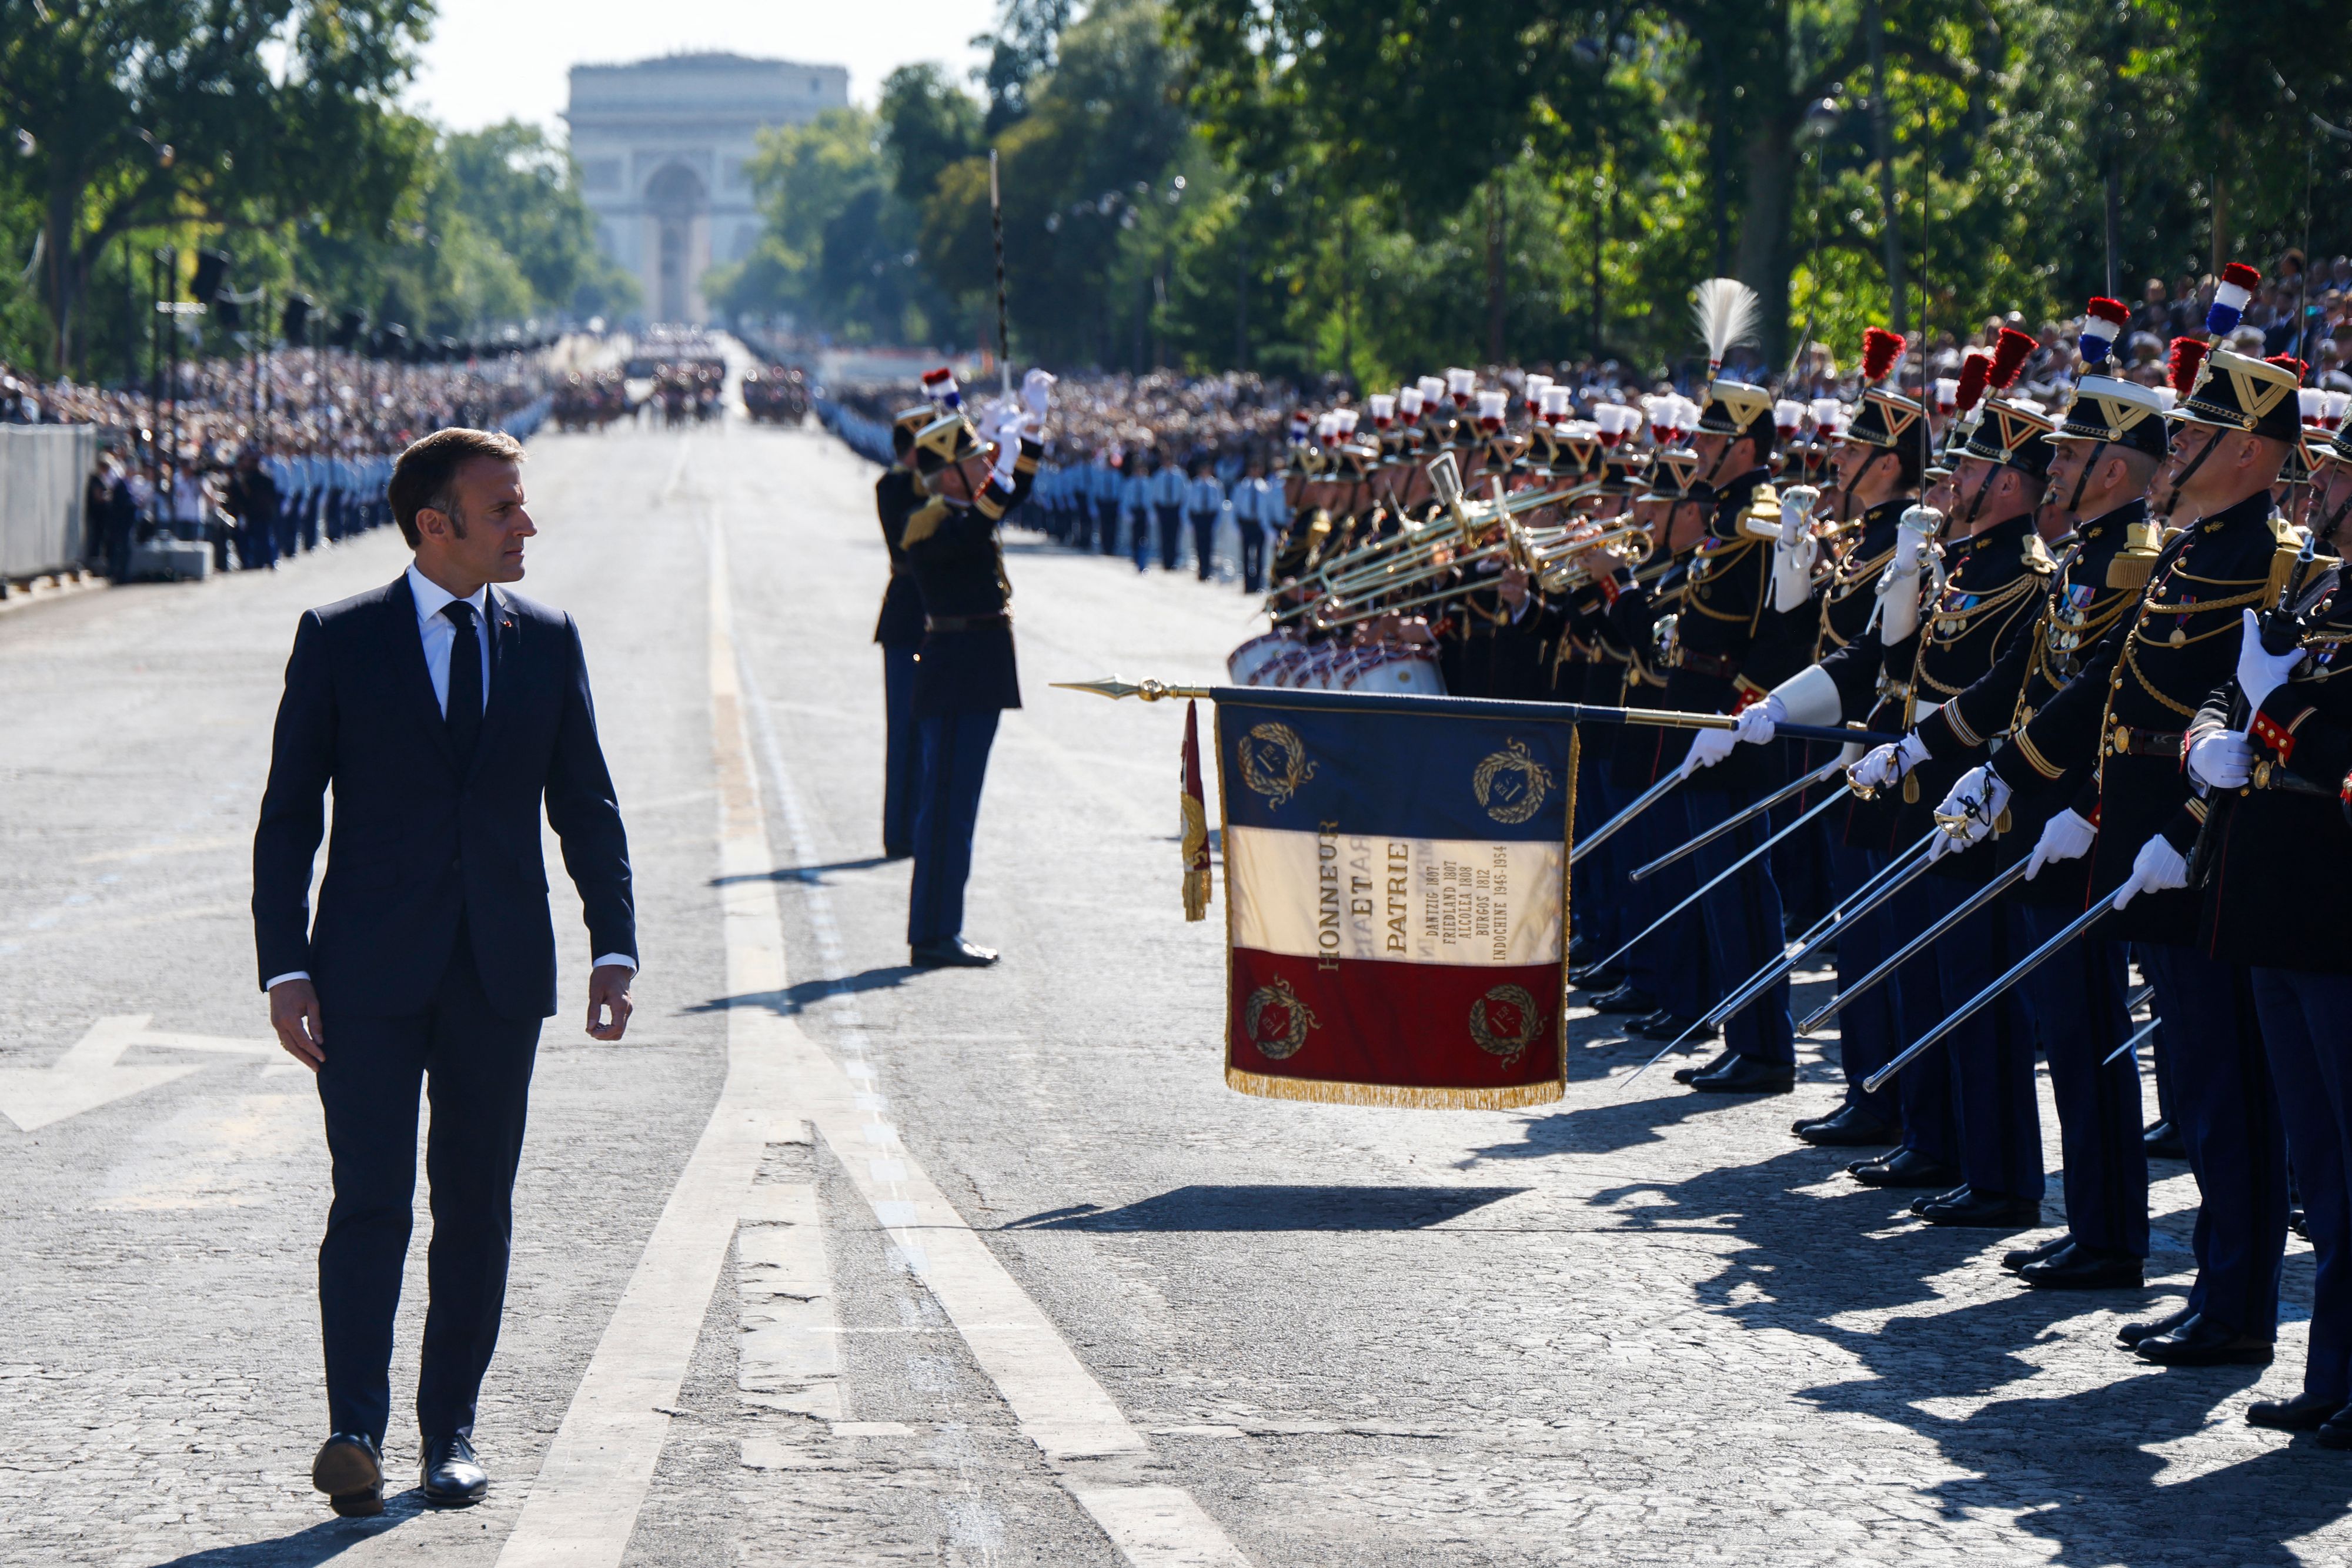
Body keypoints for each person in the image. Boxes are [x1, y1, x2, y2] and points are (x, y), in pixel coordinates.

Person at [251, 426, 638, 1517]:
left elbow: (587, 808)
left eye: (522, 505)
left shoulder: (548, 639)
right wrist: (285, 964)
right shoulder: (340, 639)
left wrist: (614, 943)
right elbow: (289, 819)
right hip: (365, 974)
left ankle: (449, 1431)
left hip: (498, 974)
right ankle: (355, 1431)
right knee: (370, 1200)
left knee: (477, 1206)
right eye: (505, 508)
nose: (528, 524)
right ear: (437, 524)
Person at [897, 371, 1051, 967]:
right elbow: (980, 519)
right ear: (950, 474)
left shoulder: (967, 510)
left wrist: (1033, 431)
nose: (987, 467)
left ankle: (940, 927)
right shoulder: (932, 522)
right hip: (958, 673)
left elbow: (1011, 496)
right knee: (947, 811)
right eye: (977, 461)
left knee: (957, 809)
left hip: (975, 673)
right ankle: (933, 934)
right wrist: (1006, 463)